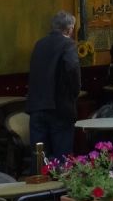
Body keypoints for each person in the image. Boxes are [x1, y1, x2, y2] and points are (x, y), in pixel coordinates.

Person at [25, 11, 81, 159]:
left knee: (39, 158)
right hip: (59, 107)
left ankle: (39, 181)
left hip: (36, 107)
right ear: (69, 29)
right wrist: (74, 93)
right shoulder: (68, 44)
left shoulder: (39, 44)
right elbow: (72, 68)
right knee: (62, 159)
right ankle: (60, 182)